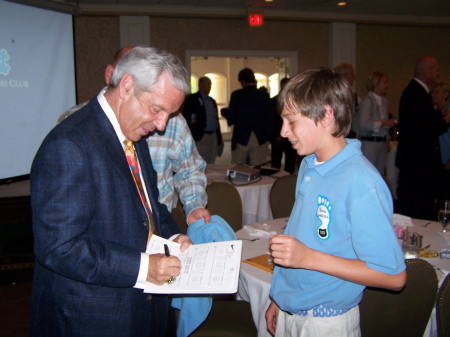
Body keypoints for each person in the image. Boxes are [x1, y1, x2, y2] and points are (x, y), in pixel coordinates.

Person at [30, 46, 193, 336]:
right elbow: (58, 248)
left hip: (140, 307)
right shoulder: (69, 144)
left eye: (169, 114)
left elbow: (150, 207)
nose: (161, 125)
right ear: (127, 86)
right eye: (157, 109)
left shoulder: (133, 135)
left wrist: (173, 236)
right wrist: (143, 268)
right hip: (91, 318)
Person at [265, 68, 406, 337]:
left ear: (327, 116)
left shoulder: (361, 181)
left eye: (291, 121)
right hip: (291, 308)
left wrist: (308, 258)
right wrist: (278, 297)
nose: (283, 131)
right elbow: (303, 236)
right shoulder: (308, 165)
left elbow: (393, 276)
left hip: (326, 322)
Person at [58, 46, 211, 225]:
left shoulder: (143, 134)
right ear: (122, 81)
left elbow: (179, 178)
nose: (161, 125)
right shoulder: (73, 129)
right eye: (156, 109)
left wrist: (192, 208)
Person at [395, 55, 449, 220]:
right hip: (418, 165)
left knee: (418, 206)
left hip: (417, 164)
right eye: (436, 70)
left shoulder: (416, 92)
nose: (438, 74)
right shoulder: (417, 94)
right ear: (427, 72)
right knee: (416, 208)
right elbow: (426, 129)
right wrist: (445, 120)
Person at [222, 68, 272, 166]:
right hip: (260, 137)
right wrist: (268, 137)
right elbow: (270, 118)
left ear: (243, 82)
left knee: (238, 167)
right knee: (258, 167)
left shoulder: (237, 95)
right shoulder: (264, 95)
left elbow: (232, 115)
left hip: (241, 136)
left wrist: (223, 112)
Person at [357, 72, 397, 175]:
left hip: (381, 143)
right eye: (384, 83)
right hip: (370, 143)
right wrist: (384, 123)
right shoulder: (367, 101)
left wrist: (386, 138)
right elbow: (364, 124)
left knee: (379, 174)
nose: (387, 85)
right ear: (376, 83)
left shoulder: (384, 102)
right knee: (369, 173)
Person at [182, 76, 223, 164]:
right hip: (201, 136)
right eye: (208, 84)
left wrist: (219, 138)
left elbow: (216, 119)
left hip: (213, 136)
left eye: (210, 84)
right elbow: (189, 119)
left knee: (212, 161)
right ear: (201, 84)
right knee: (200, 161)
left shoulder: (212, 101)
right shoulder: (192, 99)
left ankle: (210, 178)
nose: (210, 87)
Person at [271, 77, 297, 173]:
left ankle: (288, 180)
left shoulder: (295, 102)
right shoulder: (274, 101)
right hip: (278, 134)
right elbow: (274, 119)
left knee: (290, 160)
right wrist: (277, 135)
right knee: (276, 161)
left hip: (291, 135)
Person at [431, 82, 450, 199]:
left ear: (445, 94)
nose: (434, 95)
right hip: (437, 161)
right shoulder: (434, 112)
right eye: (433, 92)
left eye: (437, 92)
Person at [334, 63, 359, 138]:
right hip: (340, 132)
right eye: (352, 74)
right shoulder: (336, 93)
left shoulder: (352, 93)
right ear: (344, 76)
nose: (354, 77)